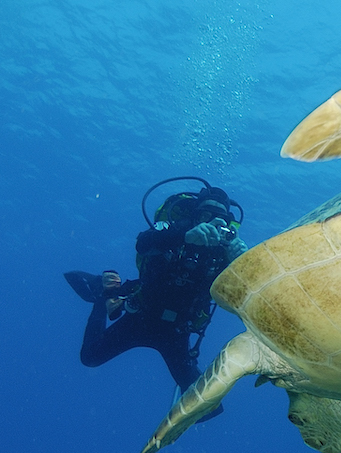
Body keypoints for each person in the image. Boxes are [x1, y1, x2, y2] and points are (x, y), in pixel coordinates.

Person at [65, 180, 248, 420]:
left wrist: (243, 266)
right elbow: (143, 244)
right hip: (142, 313)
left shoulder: (225, 253)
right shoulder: (176, 229)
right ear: (195, 214)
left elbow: (240, 300)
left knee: (209, 408)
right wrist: (184, 236)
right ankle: (103, 296)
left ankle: (108, 293)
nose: (212, 223)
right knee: (89, 357)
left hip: (177, 332)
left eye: (220, 218)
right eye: (206, 214)